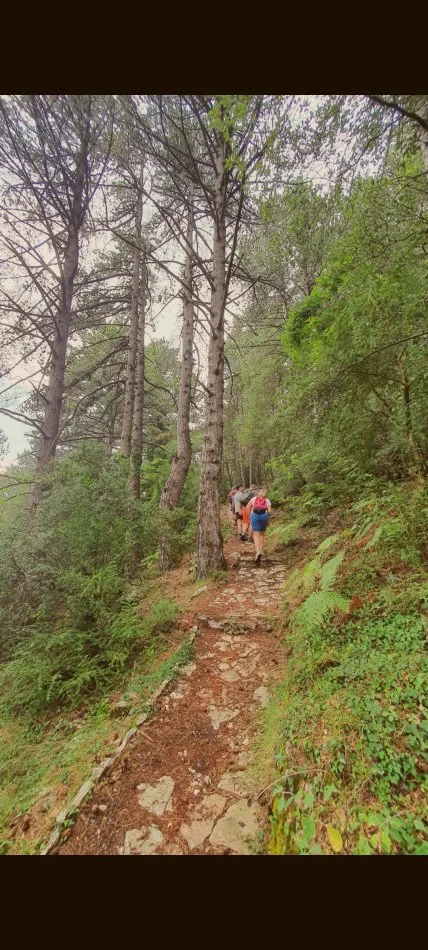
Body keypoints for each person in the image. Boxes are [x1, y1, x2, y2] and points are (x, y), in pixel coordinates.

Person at [248, 487, 272, 564]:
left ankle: (258, 551)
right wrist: (268, 517)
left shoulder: (253, 499)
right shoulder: (267, 500)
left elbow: (247, 507)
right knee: (262, 534)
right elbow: (269, 511)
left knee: (256, 534)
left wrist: (250, 516)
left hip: (254, 516)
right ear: (266, 494)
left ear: (259, 492)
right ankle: (261, 549)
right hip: (264, 516)